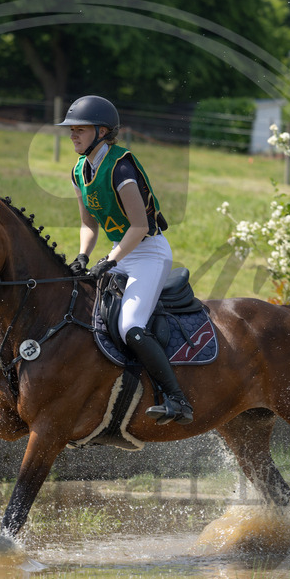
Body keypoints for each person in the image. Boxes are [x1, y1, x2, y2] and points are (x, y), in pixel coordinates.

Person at [58, 95, 193, 425]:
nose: (72, 135)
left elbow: (140, 226)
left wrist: (109, 259)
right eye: (70, 130)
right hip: (121, 252)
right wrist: (82, 256)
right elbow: (89, 223)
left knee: (130, 325)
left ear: (102, 131)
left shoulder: (121, 168)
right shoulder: (79, 170)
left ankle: (178, 400)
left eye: (79, 129)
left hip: (148, 252)